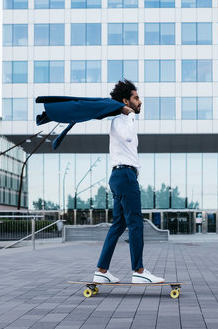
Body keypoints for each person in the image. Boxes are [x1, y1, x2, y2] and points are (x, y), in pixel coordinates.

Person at [93, 80, 164, 284]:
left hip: (123, 175)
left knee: (119, 224)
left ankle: (102, 270)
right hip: (124, 176)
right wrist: (128, 113)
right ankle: (139, 271)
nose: (140, 102)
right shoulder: (120, 121)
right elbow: (128, 139)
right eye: (135, 98)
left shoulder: (126, 121)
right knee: (135, 223)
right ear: (126, 101)